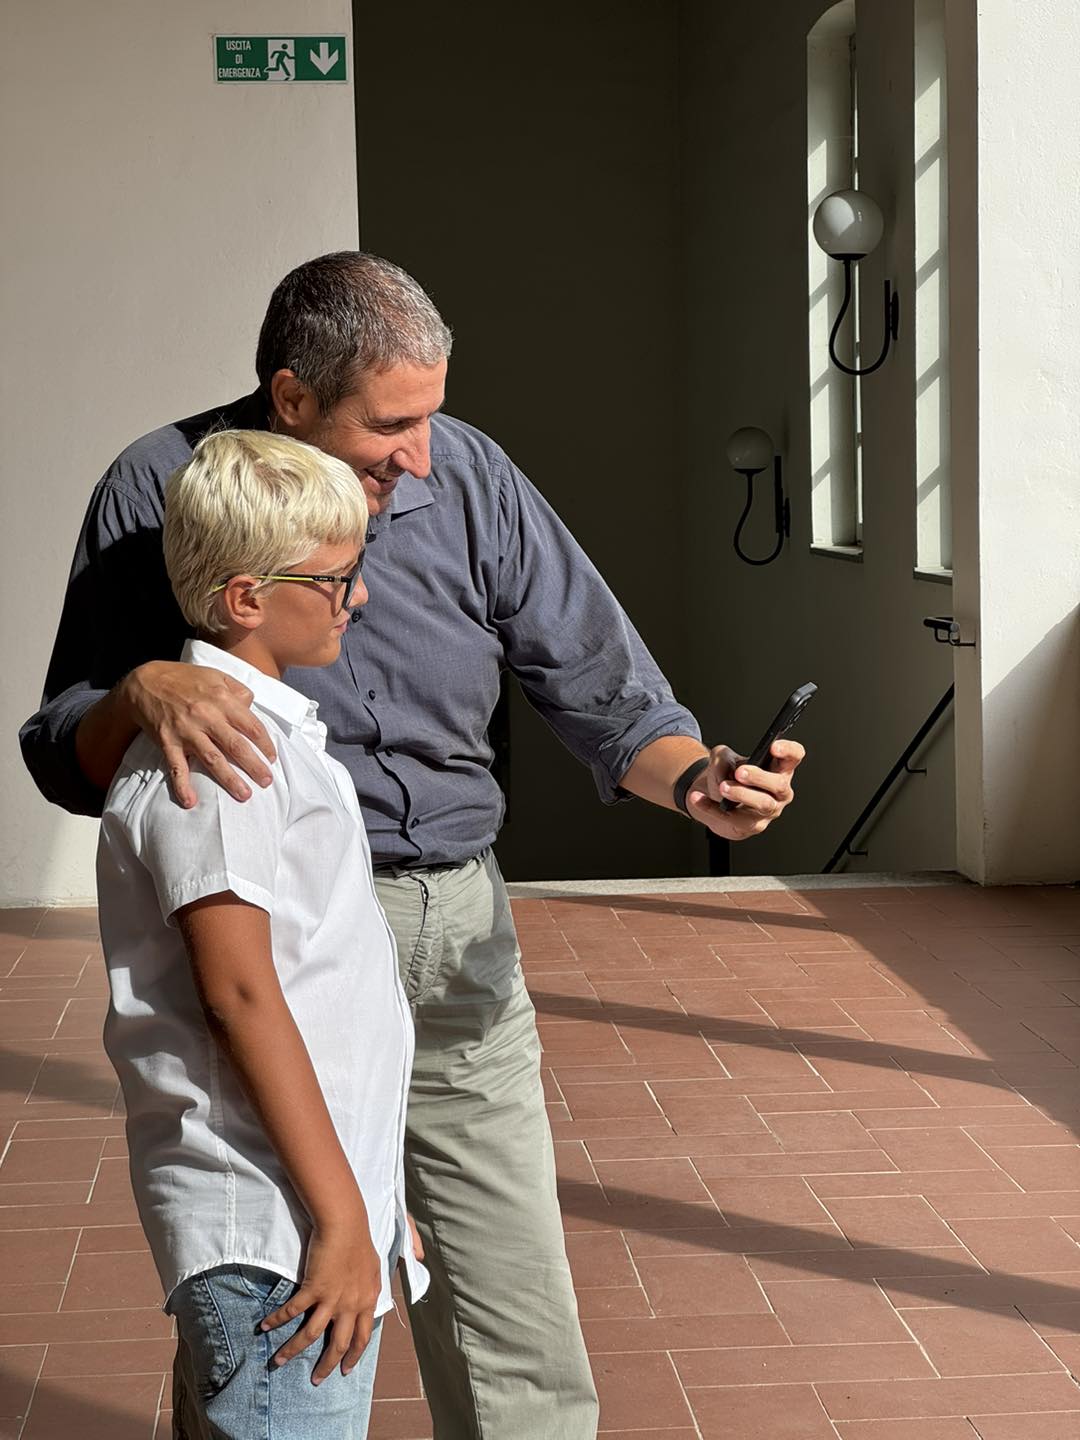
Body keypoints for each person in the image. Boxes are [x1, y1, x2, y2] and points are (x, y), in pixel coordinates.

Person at [22, 252, 804, 1440]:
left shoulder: (471, 471)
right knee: (277, 1311)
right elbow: (63, 745)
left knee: (517, 1324)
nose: (422, 456)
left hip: (459, 936)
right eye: (390, 424)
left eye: (432, 415)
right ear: (290, 398)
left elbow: (600, 688)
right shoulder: (168, 484)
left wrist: (698, 781)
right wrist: (140, 693)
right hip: (289, 940)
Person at [97, 428, 428, 1438]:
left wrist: (369, 1196)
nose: (359, 598)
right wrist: (338, 1220)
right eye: (337, 578)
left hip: (306, 1222)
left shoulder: (267, 735)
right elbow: (239, 994)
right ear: (246, 598)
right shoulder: (223, 759)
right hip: (272, 1248)